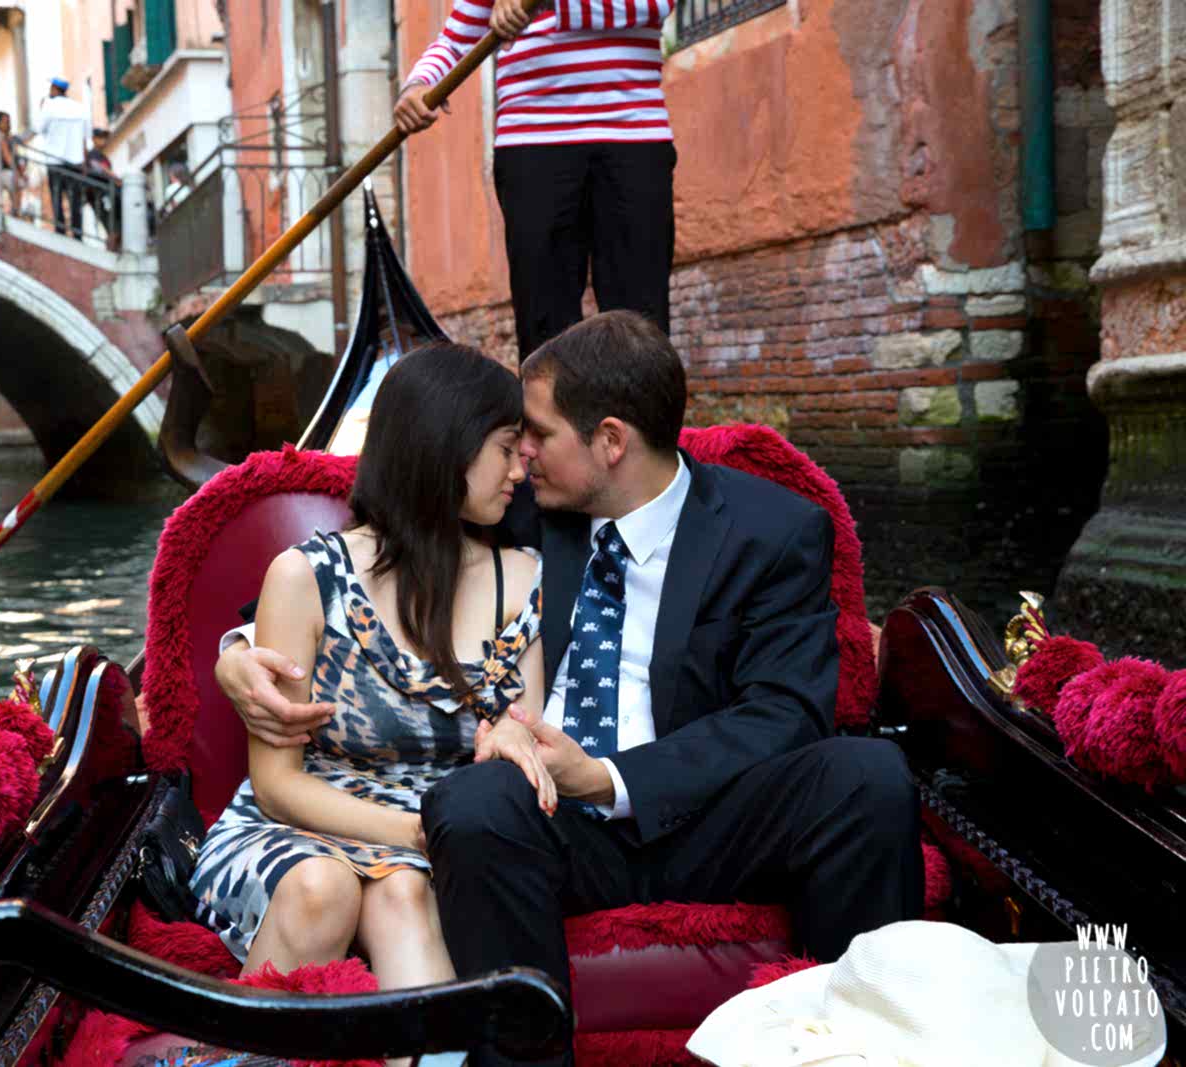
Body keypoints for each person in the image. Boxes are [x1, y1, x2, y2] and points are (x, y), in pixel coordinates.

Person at [216, 311, 923, 1067]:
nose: (521, 455)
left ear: (611, 442)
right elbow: (386, 535)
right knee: (474, 800)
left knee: (866, 774)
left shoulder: (773, 530)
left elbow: (787, 712)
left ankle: (864, 1045)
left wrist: (611, 776)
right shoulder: (518, 501)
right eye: (513, 442)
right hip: (553, 821)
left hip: (711, 814)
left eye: (539, 434)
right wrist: (240, 651)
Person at [192, 344, 549, 1008]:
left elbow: (519, 740)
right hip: (299, 826)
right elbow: (275, 783)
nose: (519, 472)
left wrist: (445, 824)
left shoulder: (522, 580)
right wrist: (414, 831)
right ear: (447, 446)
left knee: (404, 889)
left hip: (442, 840)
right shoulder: (305, 577)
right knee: (321, 888)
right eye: (505, 449)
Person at [395, 0, 678, 359]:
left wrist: (544, 4)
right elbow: (454, 40)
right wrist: (419, 85)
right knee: (543, 316)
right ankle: (549, 415)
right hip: (531, 143)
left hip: (634, 136)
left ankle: (642, 414)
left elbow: (654, 5)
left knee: (641, 314)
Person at [33, 77, 91, 239]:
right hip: (75, 161)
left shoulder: (49, 107)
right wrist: (84, 162)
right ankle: (77, 233)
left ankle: (60, 232)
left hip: (54, 161)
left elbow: (39, 129)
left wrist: (41, 108)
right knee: (75, 201)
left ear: (54, 89)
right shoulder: (79, 108)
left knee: (57, 198)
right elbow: (85, 139)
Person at [0, 111, 26, 216]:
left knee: (18, 188)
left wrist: (21, 172)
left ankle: (16, 212)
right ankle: (15, 213)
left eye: (8, 121)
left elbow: (16, 155)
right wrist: (17, 173)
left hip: (10, 170)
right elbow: (7, 157)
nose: (7, 124)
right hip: (4, 171)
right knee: (15, 185)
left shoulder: (9, 137)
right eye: (4, 122)